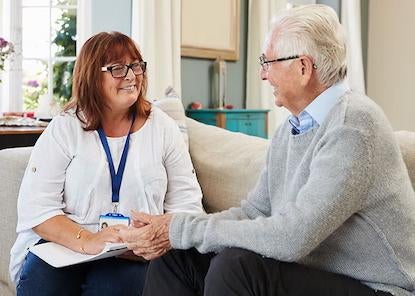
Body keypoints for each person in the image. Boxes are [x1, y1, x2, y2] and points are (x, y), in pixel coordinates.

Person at [119, 4, 415, 296]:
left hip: (379, 288)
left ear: (303, 67)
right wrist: (177, 231)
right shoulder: (294, 128)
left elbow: (292, 237)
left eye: (267, 62)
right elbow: (254, 212)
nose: (262, 75)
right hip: (318, 275)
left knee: (235, 268)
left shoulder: (353, 125)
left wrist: (179, 229)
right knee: (177, 258)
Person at [10, 31, 203, 296]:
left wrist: (155, 238)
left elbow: (188, 206)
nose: (132, 76)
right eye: (118, 68)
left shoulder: (163, 128)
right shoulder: (65, 128)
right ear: (91, 76)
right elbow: (37, 208)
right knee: (41, 285)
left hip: (134, 253)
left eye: (136, 66)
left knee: (115, 287)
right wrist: (89, 240)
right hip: (66, 247)